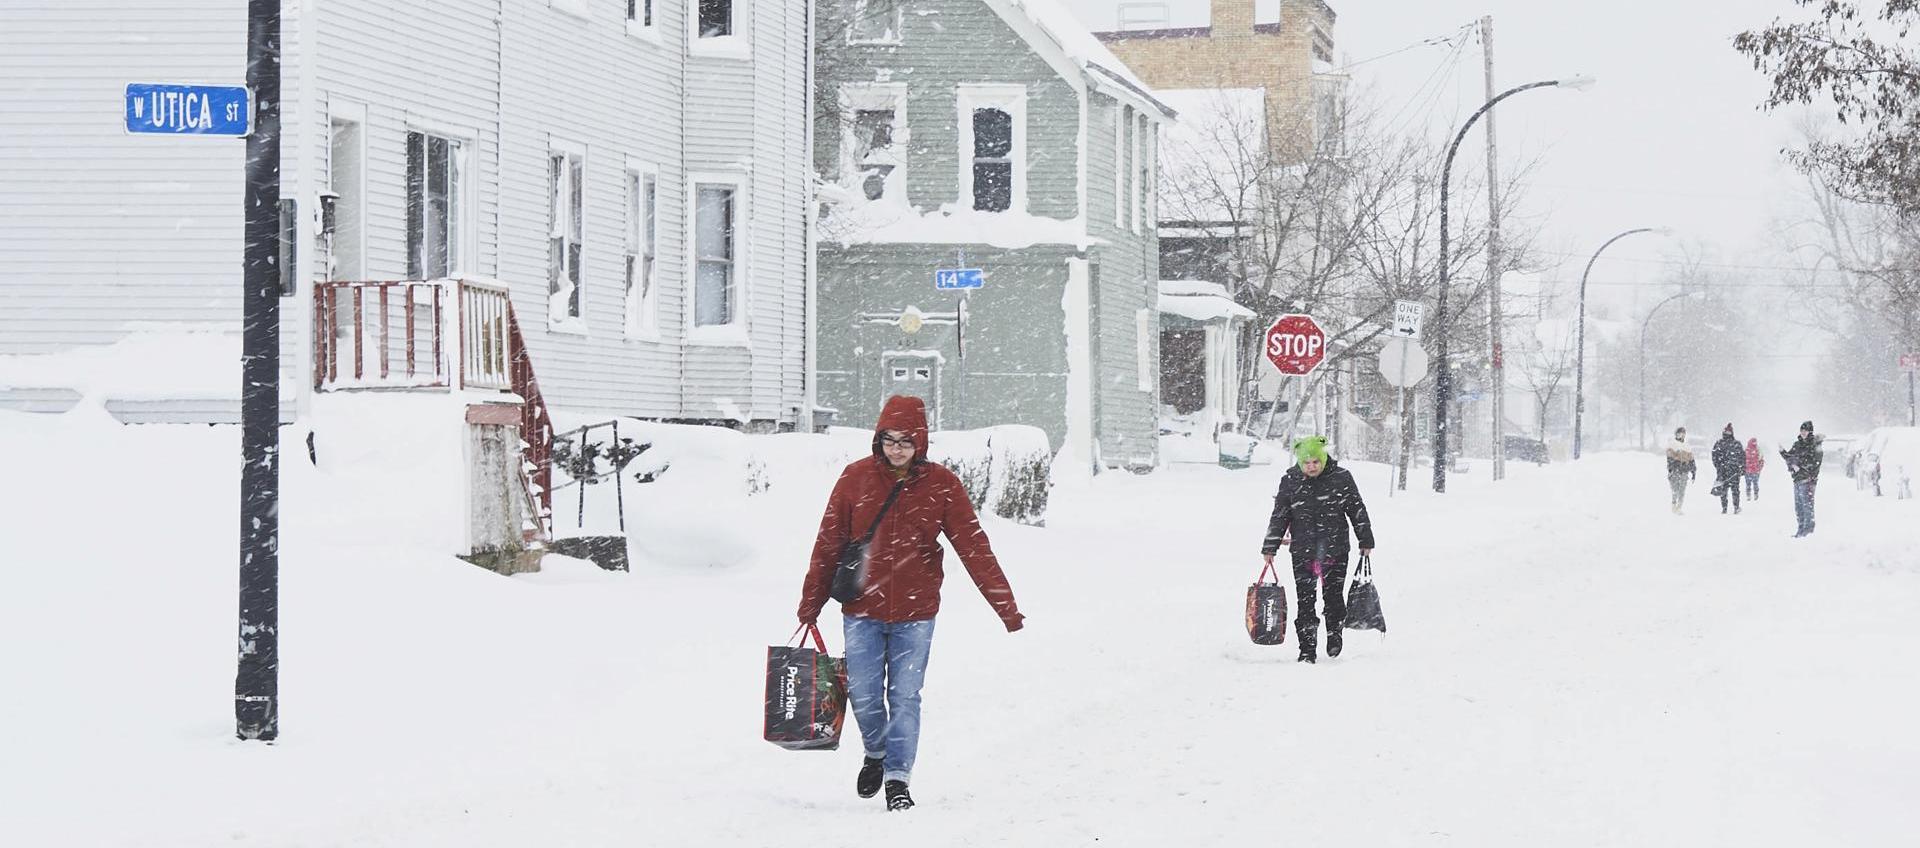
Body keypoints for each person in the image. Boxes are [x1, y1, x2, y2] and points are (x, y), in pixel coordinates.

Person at [797, 395, 1024, 812]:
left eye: (906, 440)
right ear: (878, 439)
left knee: (905, 696)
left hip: (917, 612)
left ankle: (898, 778)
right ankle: (877, 753)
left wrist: (1005, 607)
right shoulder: (855, 479)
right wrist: (810, 601)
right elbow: (828, 543)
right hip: (862, 607)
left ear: (920, 441)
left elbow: (974, 548)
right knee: (864, 693)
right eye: (889, 439)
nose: (897, 448)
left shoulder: (942, 484)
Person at [1260, 436, 1374, 664]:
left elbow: (1356, 509)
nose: (1311, 467)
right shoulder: (1290, 481)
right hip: (1303, 551)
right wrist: (1270, 546)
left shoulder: (1341, 478)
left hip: (1335, 549)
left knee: (1333, 597)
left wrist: (1365, 540)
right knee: (1305, 601)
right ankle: (1307, 648)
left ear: (1323, 459)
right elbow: (1280, 515)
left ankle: (1334, 632)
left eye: (1315, 462)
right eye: (1306, 463)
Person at [1780, 420, 1824, 537]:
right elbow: (1789, 457)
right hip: (1797, 480)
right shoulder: (1797, 444)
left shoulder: (1814, 444)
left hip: (1808, 480)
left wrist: (1802, 468)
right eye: (1802, 430)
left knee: (1807, 506)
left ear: (1810, 431)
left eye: (1805, 430)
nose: (1803, 433)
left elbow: (1815, 463)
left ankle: (1808, 531)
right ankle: (1800, 530)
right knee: (1798, 507)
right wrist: (1783, 452)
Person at [1711, 424, 1745, 514]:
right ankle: (1730, 507)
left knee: (1729, 490)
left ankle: (1730, 507)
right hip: (1729, 471)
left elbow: (1742, 457)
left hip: (1729, 471)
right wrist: (1742, 467)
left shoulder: (1722, 443)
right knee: (1730, 490)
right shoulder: (1734, 444)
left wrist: (1719, 466)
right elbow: (1742, 457)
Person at [1666, 427, 1697, 514]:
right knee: (1675, 490)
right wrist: (1672, 467)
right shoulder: (1672, 444)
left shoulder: (1687, 446)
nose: (1682, 435)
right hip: (1675, 471)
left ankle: (1679, 507)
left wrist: (1693, 471)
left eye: (1684, 433)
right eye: (1680, 433)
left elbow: (1691, 460)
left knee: (1682, 490)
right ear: (1676, 434)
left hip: (1684, 471)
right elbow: (1669, 458)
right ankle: (1673, 505)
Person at [1744, 436, 1764, 501]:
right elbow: (1761, 459)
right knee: (1755, 483)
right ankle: (1755, 494)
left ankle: (1748, 495)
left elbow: (1742, 460)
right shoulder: (1758, 449)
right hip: (1755, 471)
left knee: (1748, 484)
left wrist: (1744, 468)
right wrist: (1759, 468)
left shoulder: (1746, 449)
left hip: (1748, 471)